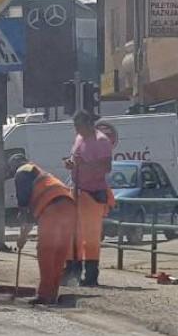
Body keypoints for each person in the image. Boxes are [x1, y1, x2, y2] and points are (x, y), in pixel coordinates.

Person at [13, 161, 77, 306]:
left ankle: (44, 295)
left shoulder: (21, 172)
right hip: (70, 205)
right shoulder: (41, 174)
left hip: (52, 207)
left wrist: (22, 237)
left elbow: (25, 211)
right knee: (59, 252)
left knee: (46, 251)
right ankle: (52, 293)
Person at [62, 110, 113, 287]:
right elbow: (76, 159)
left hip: (93, 192)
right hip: (77, 191)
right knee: (72, 235)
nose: (76, 129)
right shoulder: (79, 138)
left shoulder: (101, 141)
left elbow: (107, 167)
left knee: (90, 237)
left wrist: (85, 165)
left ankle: (91, 275)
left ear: (88, 124)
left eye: (78, 126)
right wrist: (71, 164)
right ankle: (71, 271)